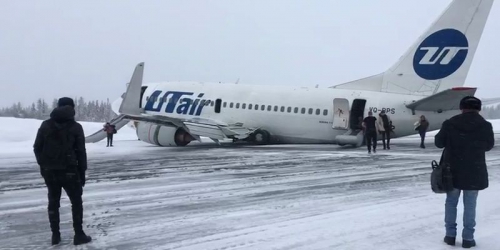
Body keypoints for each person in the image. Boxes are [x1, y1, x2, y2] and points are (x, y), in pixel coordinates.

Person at [434, 96, 494, 248]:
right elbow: (488, 146)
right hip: (475, 170)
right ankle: (468, 238)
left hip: (451, 171)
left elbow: (439, 143)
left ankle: (450, 235)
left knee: (451, 202)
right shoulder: (485, 125)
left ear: (462, 108)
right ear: (478, 108)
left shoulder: (450, 123)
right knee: (470, 205)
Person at [33, 97, 92, 246]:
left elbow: (37, 147)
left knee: (53, 202)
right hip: (70, 171)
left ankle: (55, 235)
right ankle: (78, 234)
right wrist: (82, 172)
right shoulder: (75, 127)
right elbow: (81, 152)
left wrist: (44, 166)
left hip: (50, 171)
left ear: (58, 106)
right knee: (76, 202)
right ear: (72, 108)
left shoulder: (45, 125)